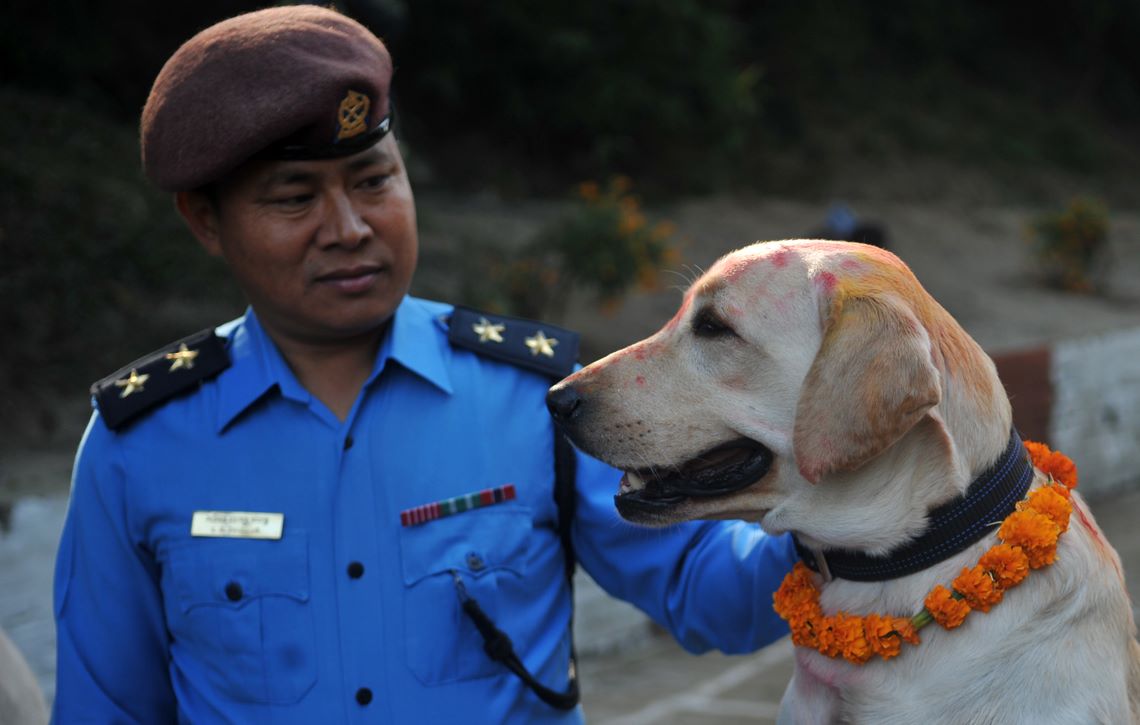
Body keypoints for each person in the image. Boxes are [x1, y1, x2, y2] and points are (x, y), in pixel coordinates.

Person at [51, 5, 797, 722]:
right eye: (294, 196)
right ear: (206, 220)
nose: (348, 229)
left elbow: (714, 595)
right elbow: (103, 711)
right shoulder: (139, 446)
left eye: (374, 181)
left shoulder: (535, 398)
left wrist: (827, 495)